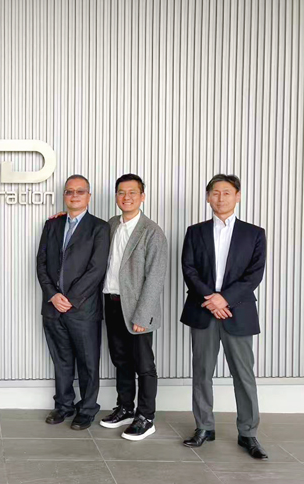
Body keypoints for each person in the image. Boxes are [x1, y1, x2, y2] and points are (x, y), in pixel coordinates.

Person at [181, 174, 268, 460]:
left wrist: (224, 299)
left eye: (227, 192)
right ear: (208, 197)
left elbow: (254, 274)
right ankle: (204, 427)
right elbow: (189, 269)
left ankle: (248, 432)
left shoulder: (254, 234)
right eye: (215, 193)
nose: (221, 198)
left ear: (237, 196)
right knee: (202, 373)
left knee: (243, 375)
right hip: (203, 310)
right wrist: (211, 298)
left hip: (237, 311)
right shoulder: (195, 232)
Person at [36, 174, 110, 430]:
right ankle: (64, 405)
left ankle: (87, 409)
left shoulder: (100, 228)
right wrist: (52, 295)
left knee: (88, 363)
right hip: (53, 307)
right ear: (64, 196)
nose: (74, 195)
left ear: (89, 196)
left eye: (80, 191)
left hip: (83, 309)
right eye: (69, 191)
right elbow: (41, 264)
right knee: (62, 361)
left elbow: (96, 269)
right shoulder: (52, 225)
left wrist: (70, 299)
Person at [99, 174, 168, 440]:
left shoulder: (151, 231)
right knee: (120, 360)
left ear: (142, 196)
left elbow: (156, 277)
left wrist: (143, 314)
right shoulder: (111, 225)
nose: (126, 197)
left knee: (144, 364)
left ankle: (146, 417)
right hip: (111, 302)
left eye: (132, 192)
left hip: (137, 309)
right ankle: (126, 408)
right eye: (121, 192)